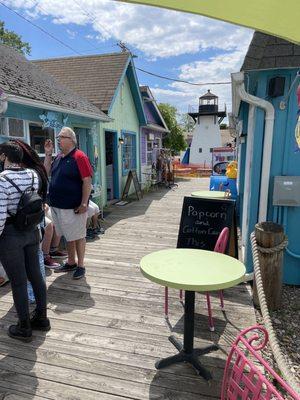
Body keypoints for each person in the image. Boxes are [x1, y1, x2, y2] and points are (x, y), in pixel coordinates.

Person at [0, 142, 50, 341]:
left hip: (10, 236)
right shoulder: (32, 174)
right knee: (36, 276)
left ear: (4, 156)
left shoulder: (2, 180)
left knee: (19, 282)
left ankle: (24, 327)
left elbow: (1, 215)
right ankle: (42, 318)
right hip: (31, 231)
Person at [44, 127, 93, 279]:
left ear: (71, 139)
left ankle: (81, 265)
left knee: (78, 236)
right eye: (58, 137)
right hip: (57, 205)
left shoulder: (80, 156)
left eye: (61, 136)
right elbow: (46, 172)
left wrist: (84, 203)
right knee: (68, 236)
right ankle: (71, 262)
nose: (58, 139)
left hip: (74, 206)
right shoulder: (59, 156)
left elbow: (87, 181)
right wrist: (47, 154)